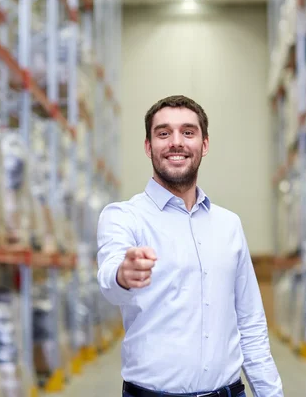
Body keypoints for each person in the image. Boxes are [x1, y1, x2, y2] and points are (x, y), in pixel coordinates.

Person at [96, 95, 284, 397]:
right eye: (163, 133)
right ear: (148, 147)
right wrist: (123, 274)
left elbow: (250, 323)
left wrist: (271, 393)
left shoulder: (229, 225)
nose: (176, 142)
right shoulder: (124, 217)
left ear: (204, 145)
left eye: (188, 132)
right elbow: (109, 281)